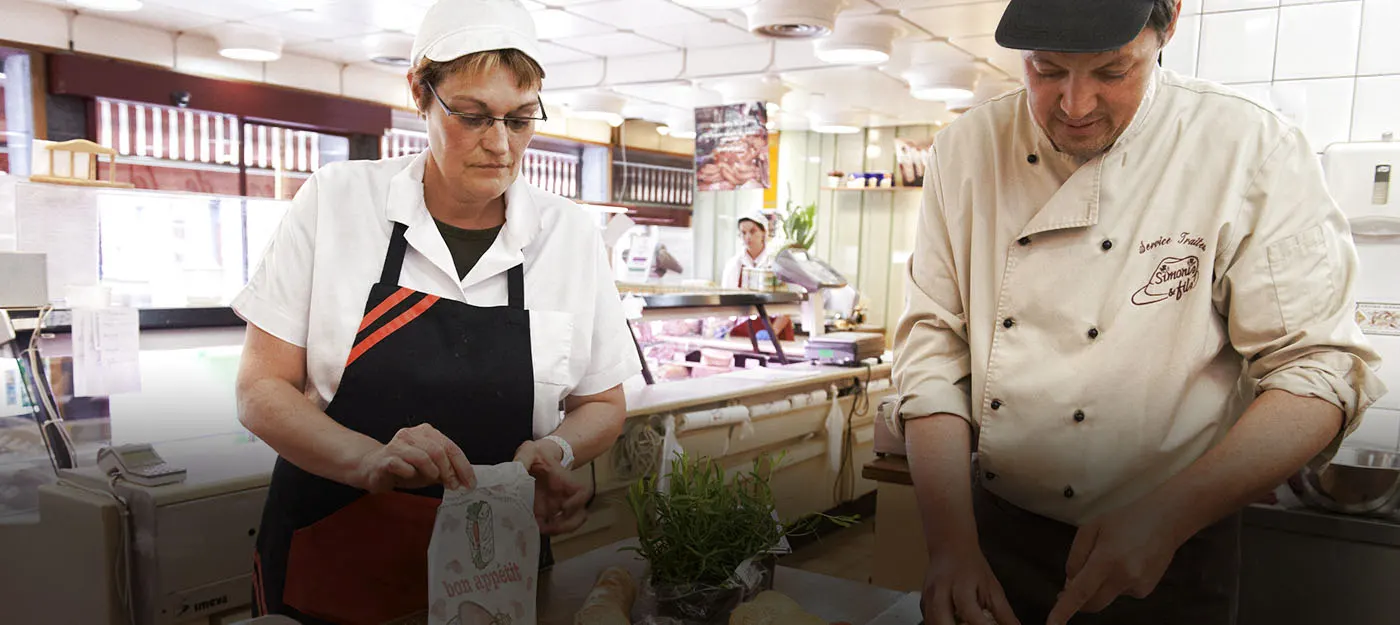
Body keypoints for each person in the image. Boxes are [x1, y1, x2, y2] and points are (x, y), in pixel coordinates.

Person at [888, 2, 1387, 625]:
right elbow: (933, 347)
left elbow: (1318, 369)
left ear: (1168, 21)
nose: (1075, 105)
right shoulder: (965, 150)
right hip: (997, 540)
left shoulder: (1249, 149)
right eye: (1046, 70)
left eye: (1111, 70)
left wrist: (1173, 513)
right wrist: (950, 543)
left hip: (1173, 547)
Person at [230, 0, 640, 621]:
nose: (500, 145)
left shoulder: (570, 236)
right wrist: (368, 459)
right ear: (420, 93)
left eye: (520, 119)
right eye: (472, 116)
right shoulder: (337, 203)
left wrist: (556, 453)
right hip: (335, 552)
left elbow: (603, 404)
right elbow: (261, 390)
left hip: (495, 566)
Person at [721, 210, 774, 289]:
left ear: (764, 232)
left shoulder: (774, 262)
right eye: (743, 233)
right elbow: (726, 293)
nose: (748, 237)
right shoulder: (733, 265)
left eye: (752, 231)